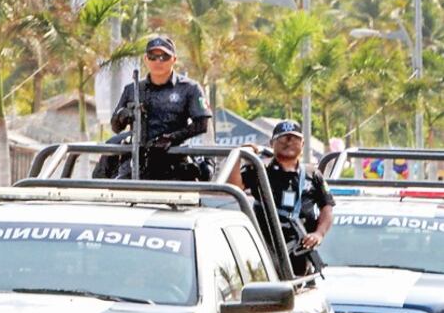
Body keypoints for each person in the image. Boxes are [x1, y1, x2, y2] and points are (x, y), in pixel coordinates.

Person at [229, 120, 334, 275]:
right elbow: (234, 187)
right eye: (283, 139)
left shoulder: (313, 174)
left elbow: (327, 207)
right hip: (266, 251)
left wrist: (318, 234)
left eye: (294, 139)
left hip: (300, 251)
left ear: (303, 143)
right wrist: (239, 156)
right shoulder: (260, 170)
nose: (288, 143)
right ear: (272, 143)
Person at [109, 36, 211, 179]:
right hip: (137, 161)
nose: (158, 61)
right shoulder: (132, 89)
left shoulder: (190, 88)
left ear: (174, 59)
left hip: (175, 158)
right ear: (146, 59)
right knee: (114, 192)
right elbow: (115, 127)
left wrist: (171, 138)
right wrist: (123, 116)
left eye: (164, 57)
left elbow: (202, 124)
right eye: (153, 56)